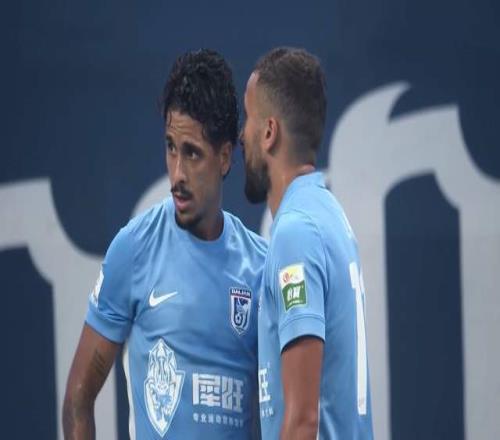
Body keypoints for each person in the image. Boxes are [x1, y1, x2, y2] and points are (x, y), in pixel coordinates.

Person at [63, 49, 267, 439]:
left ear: (225, 157)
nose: (177, 174)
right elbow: (78, 400)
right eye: (171, 147)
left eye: (192, 153)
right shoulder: (134, 249)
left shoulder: (261, 268)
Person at [240, 47, 374, 439]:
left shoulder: (296, 233)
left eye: (248, 118)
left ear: (269, 132)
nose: (241, 134)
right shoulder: (329, 215)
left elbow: (303, 421)